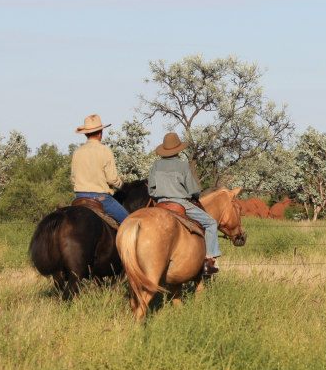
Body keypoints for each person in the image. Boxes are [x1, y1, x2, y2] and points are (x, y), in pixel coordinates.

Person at [147, 132, 221, 275]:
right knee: (211, 223)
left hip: (160, 204)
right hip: (180, 203)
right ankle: (208, 261)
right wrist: (195, 195)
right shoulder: (183, 165)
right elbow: (193, 190)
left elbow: (151, 190)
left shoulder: (156, 165)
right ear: (178, 149)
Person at [70, 114, 129, 224]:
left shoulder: (77, 152)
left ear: (86, 134)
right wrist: (122, 185)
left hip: (79, 198)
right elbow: (112, 179)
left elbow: (73, 179)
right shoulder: (104, 150)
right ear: (100, 133)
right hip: (101, 199)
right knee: (129, 223)